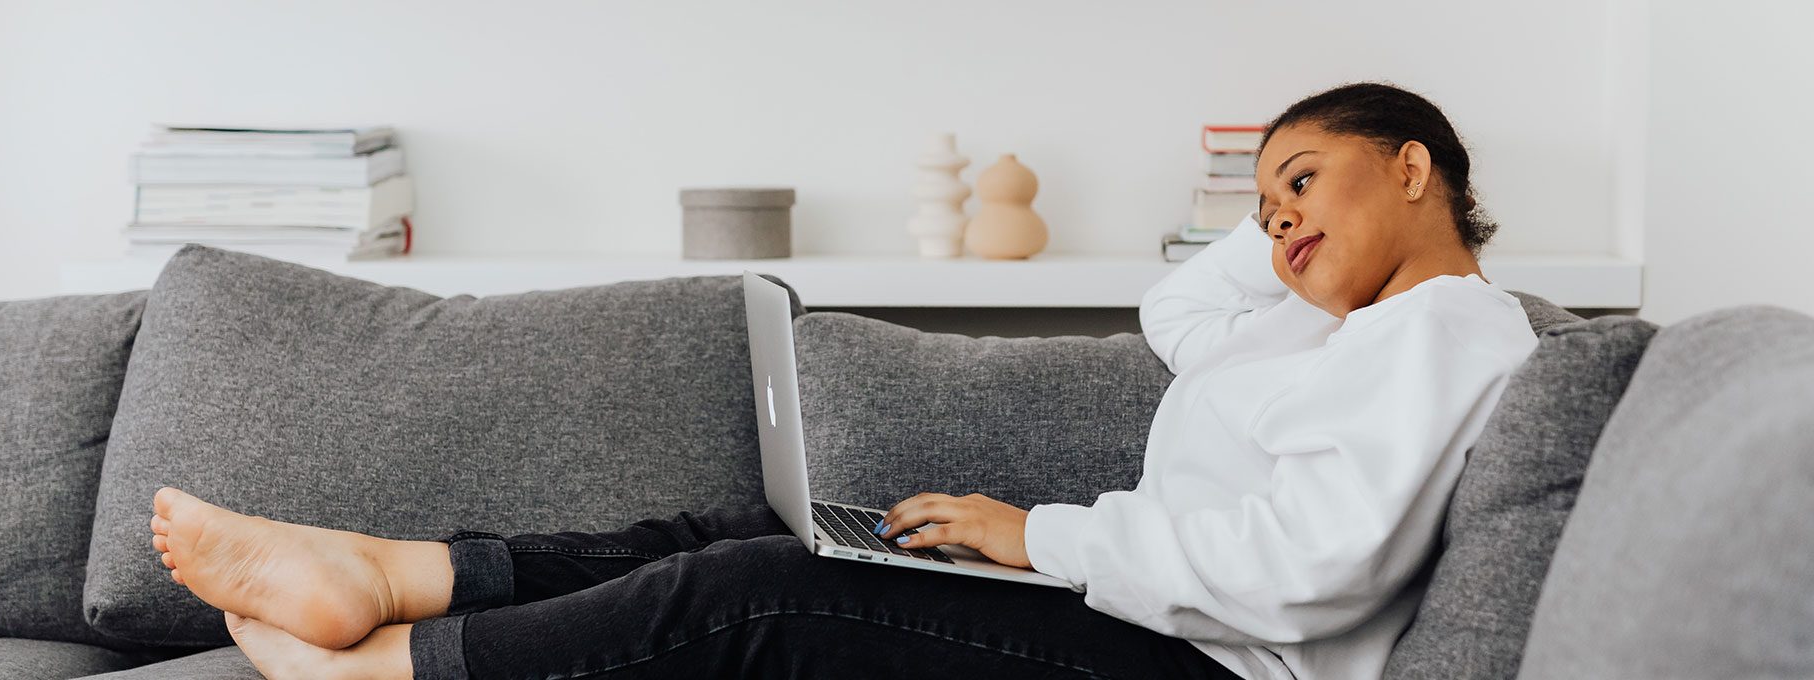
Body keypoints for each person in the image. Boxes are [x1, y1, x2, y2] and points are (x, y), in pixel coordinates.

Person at [146, 81, 1540, 680]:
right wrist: (1287, 216)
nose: (1279, 220)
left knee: (763, 597)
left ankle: (395, 669)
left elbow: (1312, 566)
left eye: (1305, 181)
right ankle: (397, 577)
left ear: (1414, 165)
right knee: (746, 532)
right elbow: (1177, 303)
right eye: (1263, 196)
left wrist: (1032, 536)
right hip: (1140, 614)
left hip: (1203, 664)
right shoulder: (1317, 329)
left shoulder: (1455, 334)